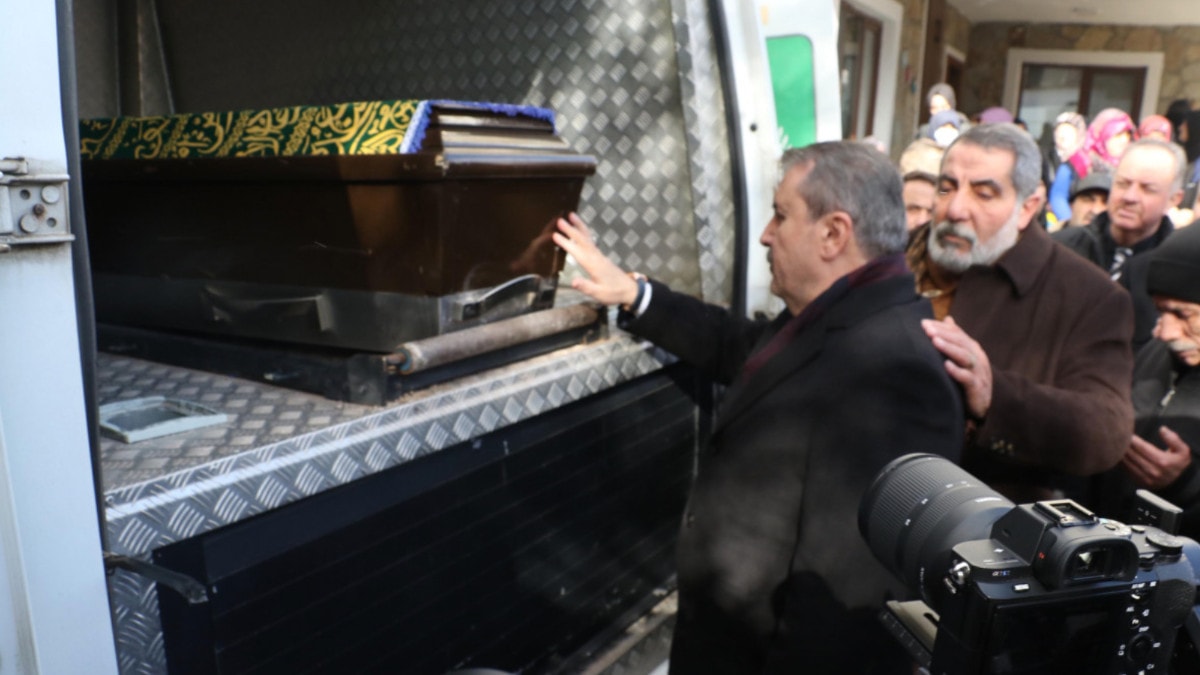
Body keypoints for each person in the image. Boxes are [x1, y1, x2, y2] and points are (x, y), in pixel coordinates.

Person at [553, 141, 965, 674]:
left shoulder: (896, 374)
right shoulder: (836, 316)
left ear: (834, 233)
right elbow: (741, 348)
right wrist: (635, 294)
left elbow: (847, 613)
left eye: (781, 215)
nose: (767, 234)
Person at [906, 123, 1135, 503]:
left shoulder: (1089, 296)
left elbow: (1106, 431)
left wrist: (995, 395)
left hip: (979, 521)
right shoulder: (895, 257)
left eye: (984, 194)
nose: (956, 209)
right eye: (946, 188)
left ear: (1028, 206)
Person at [1094, 224, 1200, 538]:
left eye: (1183, 315)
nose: (1165, 332)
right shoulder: (1156, 354)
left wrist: (1185, 483)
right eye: (1160, 311)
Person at [1054, 138, 1185, 351]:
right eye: (1123, 184)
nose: (1129, 197)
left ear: (1174, 199)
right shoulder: (1060, 249)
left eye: (1147, 189)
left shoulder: (1181, 269)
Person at [1048, 108, 1137, 225]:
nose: (1124, 140)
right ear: (1103, 134)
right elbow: (1058, 197)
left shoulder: (1132, 166)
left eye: (1127, 135)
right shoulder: (1077, 161)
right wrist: (1071, 223)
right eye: (1118, 135)